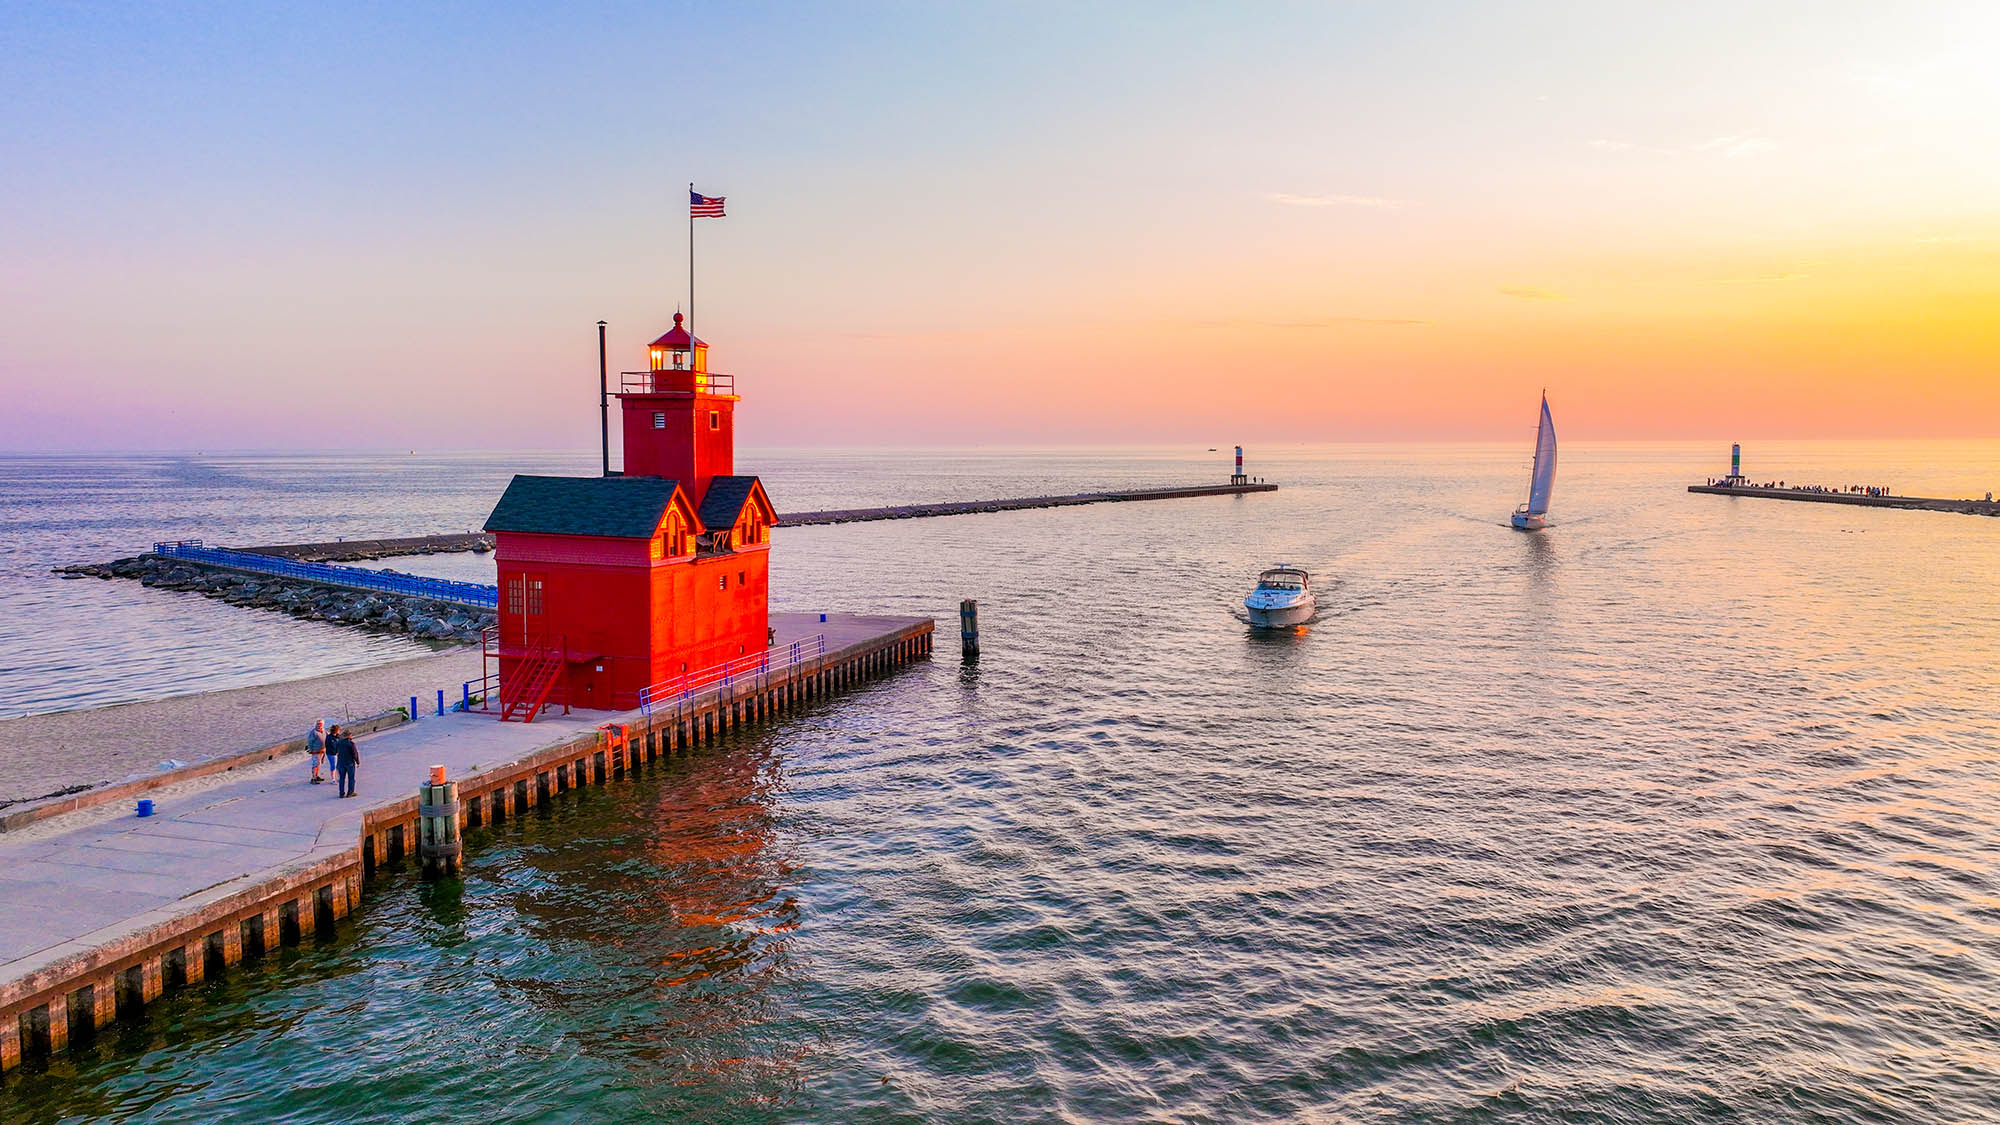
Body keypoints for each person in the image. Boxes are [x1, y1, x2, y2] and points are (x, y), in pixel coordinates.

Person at [329, 725, 360, 798]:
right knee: (351, 778)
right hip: (349, 763)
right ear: (349, 736)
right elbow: (355, 754)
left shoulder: (339, 743)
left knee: (342, 779)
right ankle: (350, 792)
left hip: (340, 763)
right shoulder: (351, 744)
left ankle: (341, 793)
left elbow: (336, 751)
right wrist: (357, 762)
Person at [307, 719, 327, 784]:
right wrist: (310, 750)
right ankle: (313, 778)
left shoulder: (324, 730)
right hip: (315, 751)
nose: (319, 725)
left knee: (318, 764)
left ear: (323, 724)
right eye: (318, 724)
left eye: (320, 724)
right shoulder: (313, 732)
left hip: (322, 751)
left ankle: (316, 776)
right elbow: (310, 742)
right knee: (315, 764)